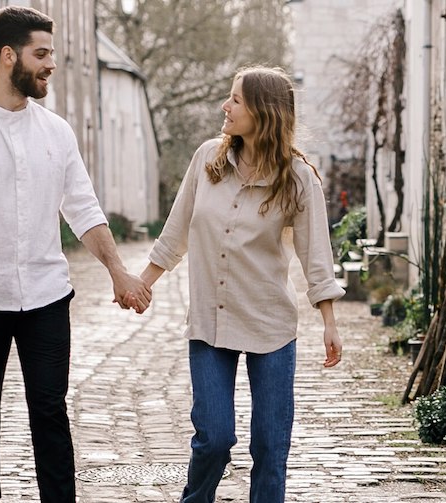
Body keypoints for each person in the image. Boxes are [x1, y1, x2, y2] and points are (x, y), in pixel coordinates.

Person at [0, 6, 151, 503]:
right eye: (41, 54)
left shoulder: (57, 132)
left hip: (47, 295)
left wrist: (118, 271)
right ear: (7, 56)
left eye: (52, 54)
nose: (51, 64)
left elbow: (84, 210)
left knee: (49, 408)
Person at [131, 66, 344, 502]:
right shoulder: (208, 158)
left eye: (235, 100)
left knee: (270, 446)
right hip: (211, 322)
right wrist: (143, 283)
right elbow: (177, 231)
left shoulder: (299, 177)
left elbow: (316, 255)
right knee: (214, 438)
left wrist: (329, 322)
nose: (224, 107)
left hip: (270, 324)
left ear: (262, 112)